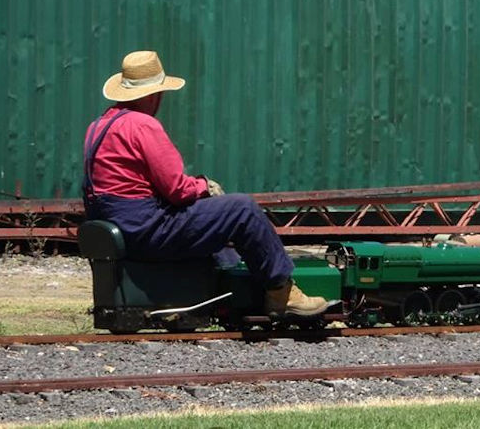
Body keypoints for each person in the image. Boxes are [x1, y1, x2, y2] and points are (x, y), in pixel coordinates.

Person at [81, 50, 330, 318]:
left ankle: (229, 292)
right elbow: (177, 190)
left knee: (215, 220)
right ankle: (282, 293)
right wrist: (205, 187)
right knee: (241, 209)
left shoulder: (99, 125)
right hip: (146, 229)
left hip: (120, 225)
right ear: (154, 94)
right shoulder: (143, 125)